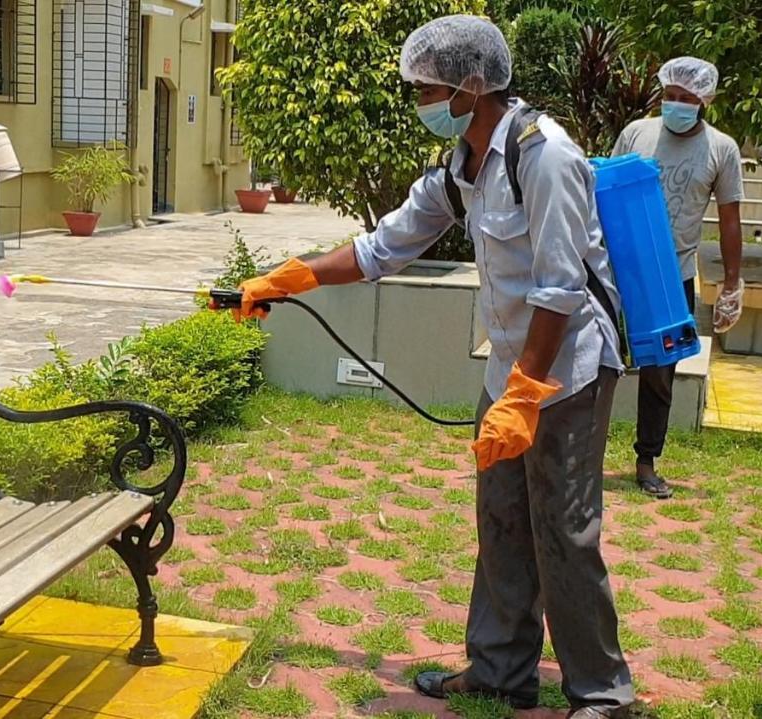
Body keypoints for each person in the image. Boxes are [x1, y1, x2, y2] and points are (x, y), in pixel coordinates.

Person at [236, 15, 633, 719]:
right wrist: (287, 278)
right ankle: (501, 672)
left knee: (563, 528)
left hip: (567, 368)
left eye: (425, 88)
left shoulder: (547, 157)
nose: (417, 100)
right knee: (502, 517)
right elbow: (380, 249)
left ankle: (601, 693)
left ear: (469, 89)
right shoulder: (461, 167)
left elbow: (561, 287)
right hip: (510, 365)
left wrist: (526, 395)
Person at [612, 57, 745, 499]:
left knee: (660, 373)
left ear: (704, 101)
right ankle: (581, 450)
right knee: (597, 359)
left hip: (673, 277)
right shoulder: (637, 133)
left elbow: (729, 219)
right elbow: (603, 191)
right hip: (620, 269)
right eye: (670, 96)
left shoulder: (720, 149)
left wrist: (731, 283)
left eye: (686, 99)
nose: (676, 104)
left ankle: (646, 460)